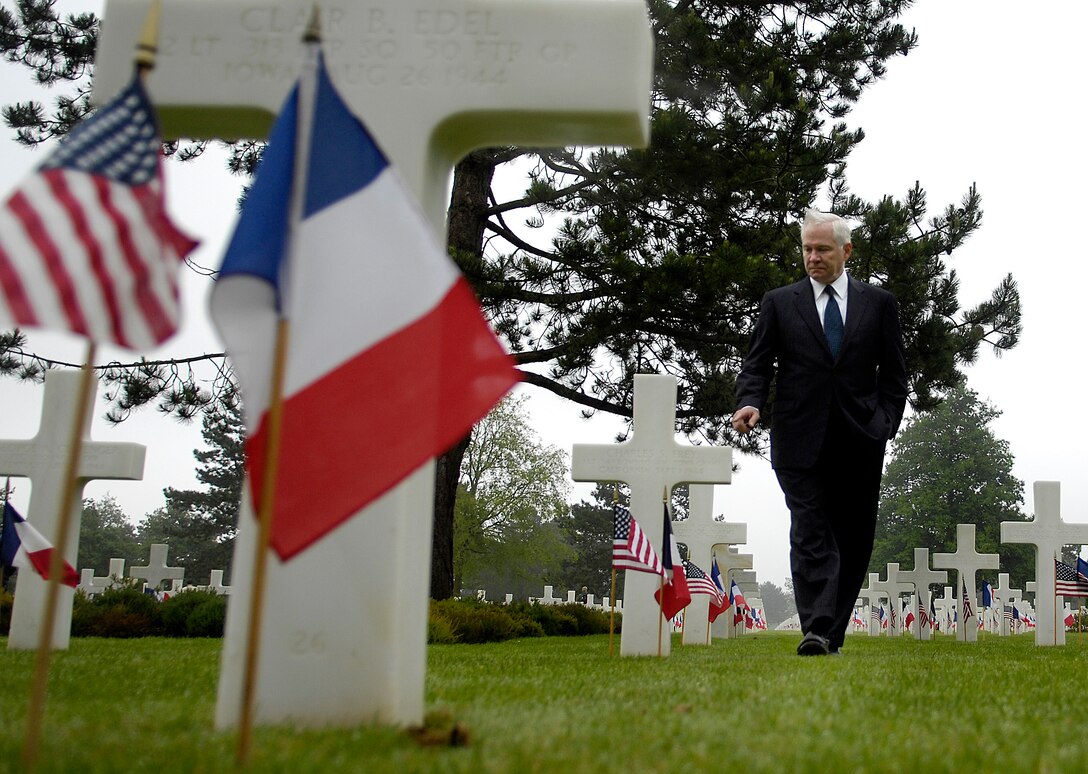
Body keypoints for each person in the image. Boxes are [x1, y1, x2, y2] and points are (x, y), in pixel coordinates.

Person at [732, 209, 908, 656]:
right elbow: (758, 362)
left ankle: (832, 630)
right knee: (809, 529)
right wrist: (749, 401)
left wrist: (885, 423)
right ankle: (816, 627)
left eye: (822, 249)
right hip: (797, 437)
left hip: (860, 437)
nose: (813, 257)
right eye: (807, 248)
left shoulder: (879, 304)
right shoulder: (779, 302)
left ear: (846, 251)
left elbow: (894, 373)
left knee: (852, 537)